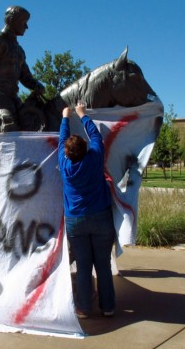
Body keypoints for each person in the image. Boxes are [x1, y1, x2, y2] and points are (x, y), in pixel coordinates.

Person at [58, 101, 115, 319]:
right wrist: (82, 114)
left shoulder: (64, 164)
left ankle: (83, 308)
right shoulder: (94, 158)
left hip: (76, 221)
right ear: (86, 150)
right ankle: (108, 307)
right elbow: (96, 137)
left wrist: (65, 118)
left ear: (67, 152)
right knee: (103, 264)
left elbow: (62, 139)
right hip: (101, 217)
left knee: (83, 266)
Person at [0, 6, 45, 132]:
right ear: (12, 20)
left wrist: (37, 85)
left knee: (33, 122)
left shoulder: (19, 50)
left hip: (13, 99)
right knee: (10, 127)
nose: (26, 27)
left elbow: (25, 77)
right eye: (24, 23)